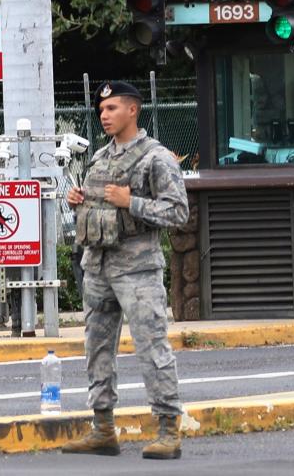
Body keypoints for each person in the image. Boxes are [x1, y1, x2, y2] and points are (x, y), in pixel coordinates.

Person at [62, 80, 189, 461]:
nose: (105, 115)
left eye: (113, 108)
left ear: (133, 110)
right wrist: (78, 202)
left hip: (137, 270)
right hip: (97, 266)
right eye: (102, 110)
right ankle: (103, 429)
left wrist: (132, 201)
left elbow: (178, 212)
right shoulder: (100, 157)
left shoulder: (156, 158)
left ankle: (168, 429)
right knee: (97, 349)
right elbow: (99, 208)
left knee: (152, 346)